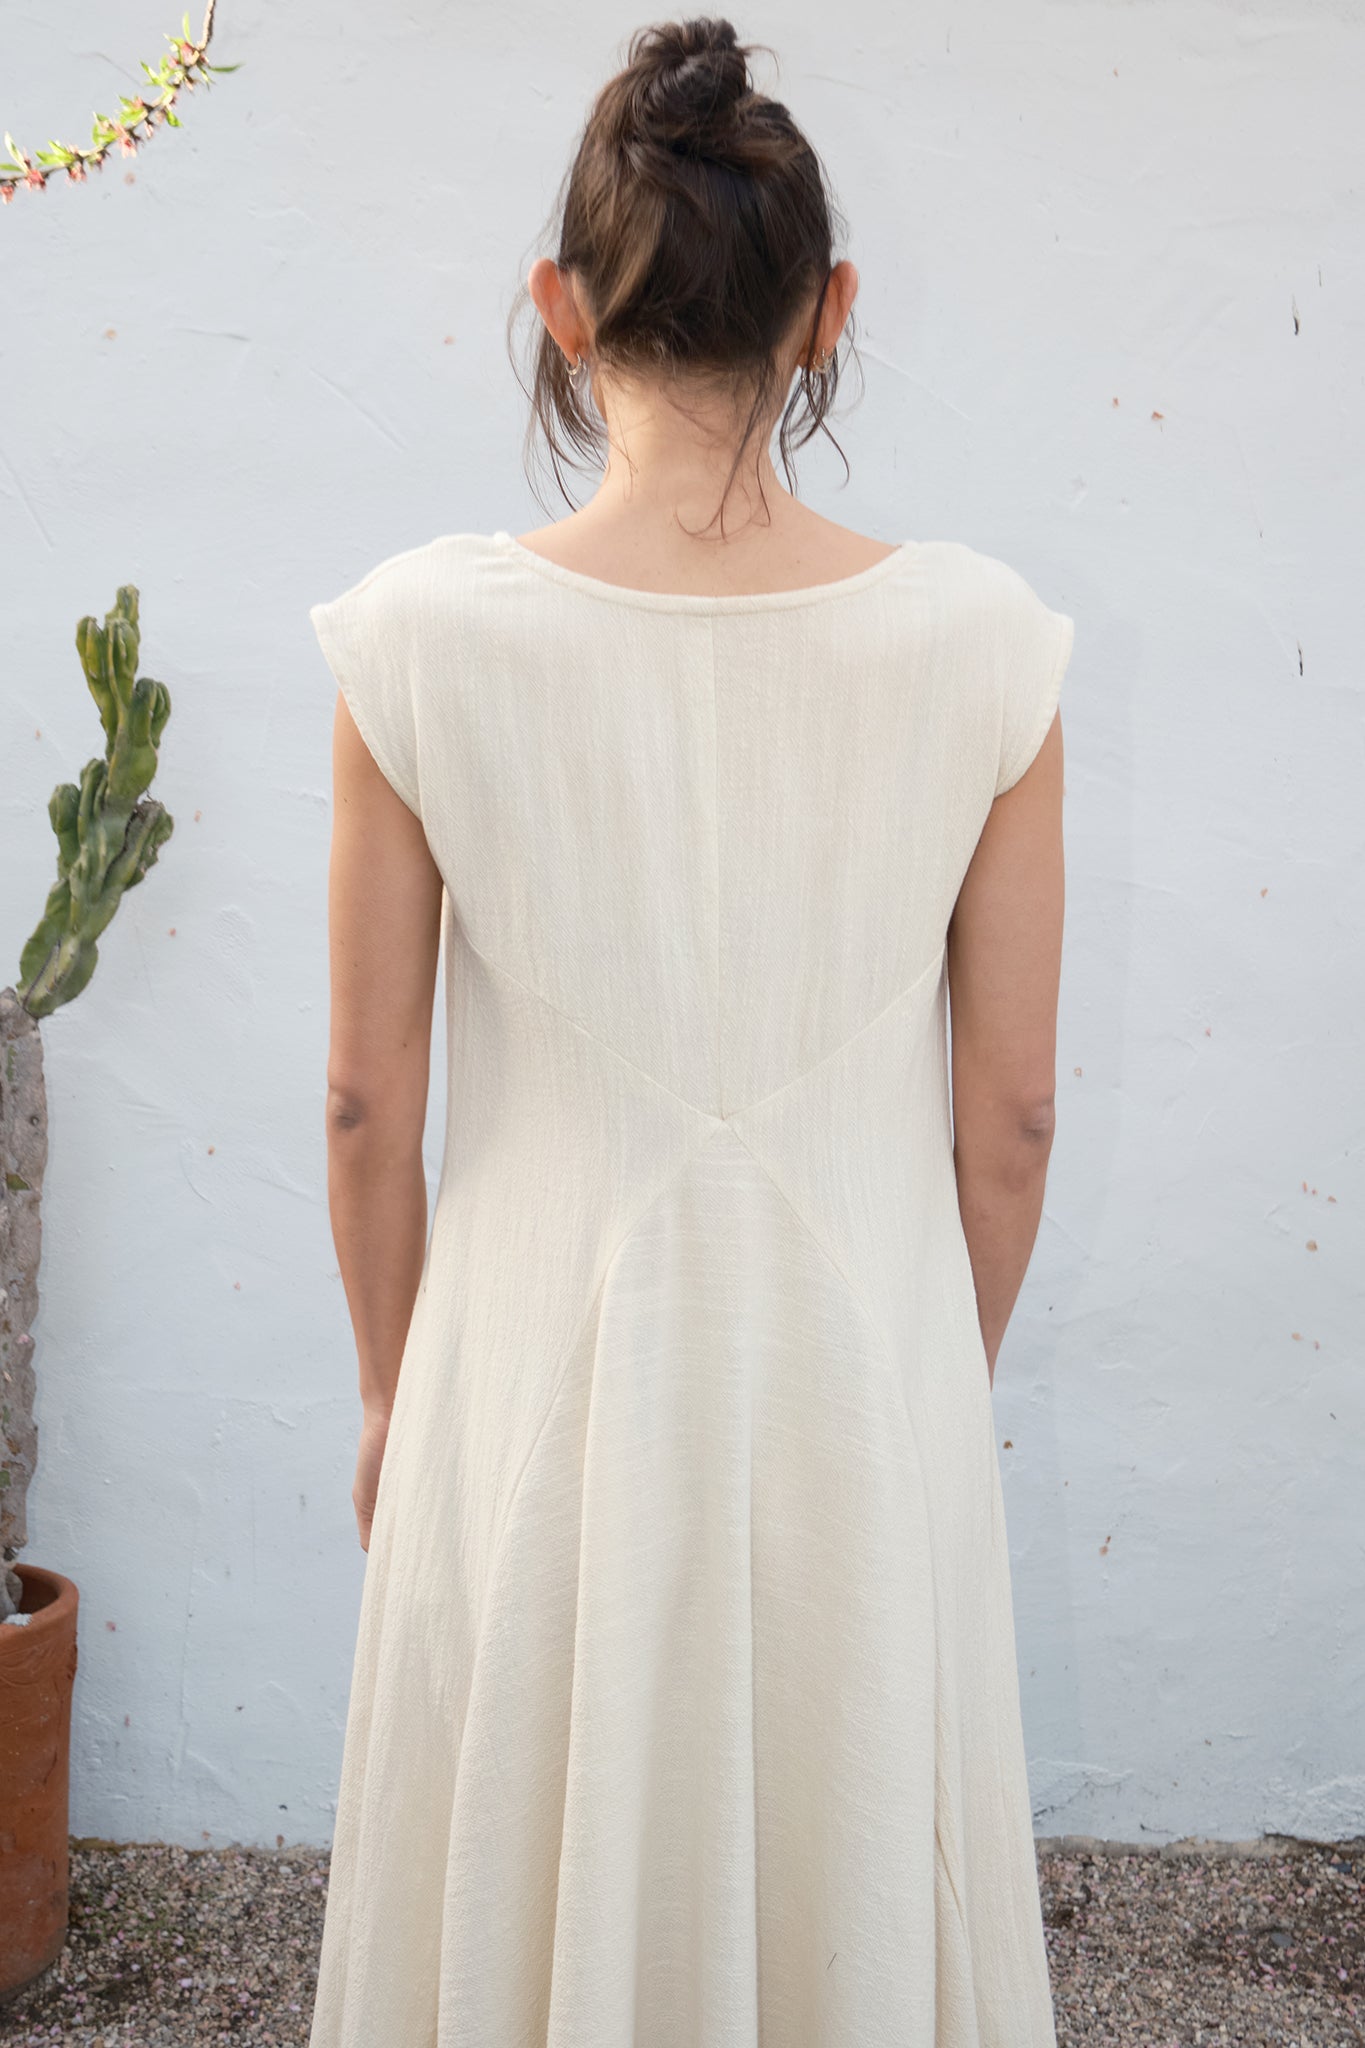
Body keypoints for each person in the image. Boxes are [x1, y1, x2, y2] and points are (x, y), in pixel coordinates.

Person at [308, 16, 1073, 2046]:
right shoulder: (982, 646)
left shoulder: (416, 642)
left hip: (522, 1367)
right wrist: (918, 1358)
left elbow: (364, 1096)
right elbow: (1008, 1118)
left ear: (559, 313)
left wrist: (398, 1396)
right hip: (860, 1371)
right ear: (827, 318)